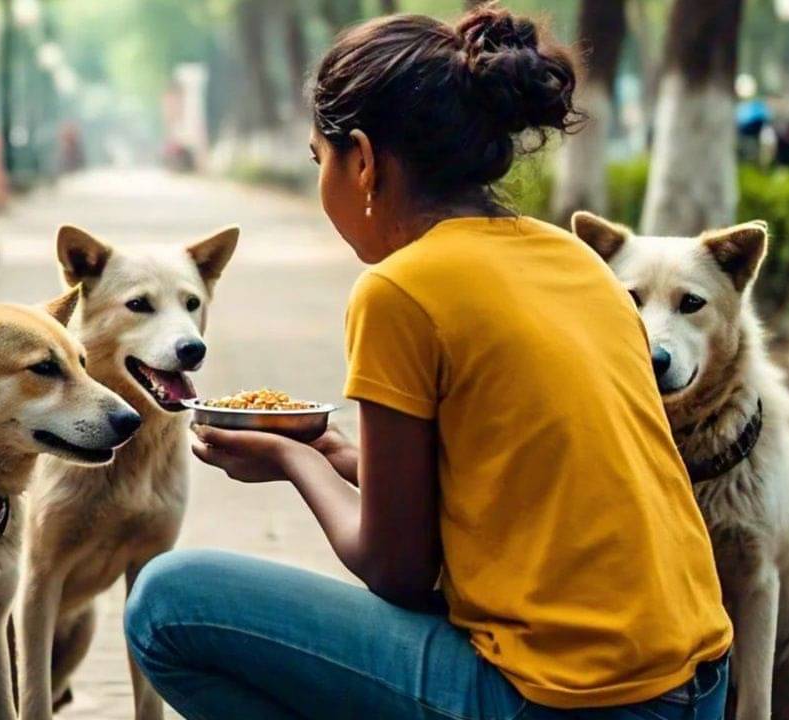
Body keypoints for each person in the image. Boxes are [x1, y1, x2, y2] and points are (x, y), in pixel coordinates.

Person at [123, 6, 733, 720]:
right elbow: (533, 485)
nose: (324, 187)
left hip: (567, 701)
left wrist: (296, 464)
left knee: (168, 604)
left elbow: (398, 571)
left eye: (320, 161)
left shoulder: (398, 290)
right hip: (696, 685)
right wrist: (352, 460)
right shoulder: (575, 260)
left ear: (364, 160)